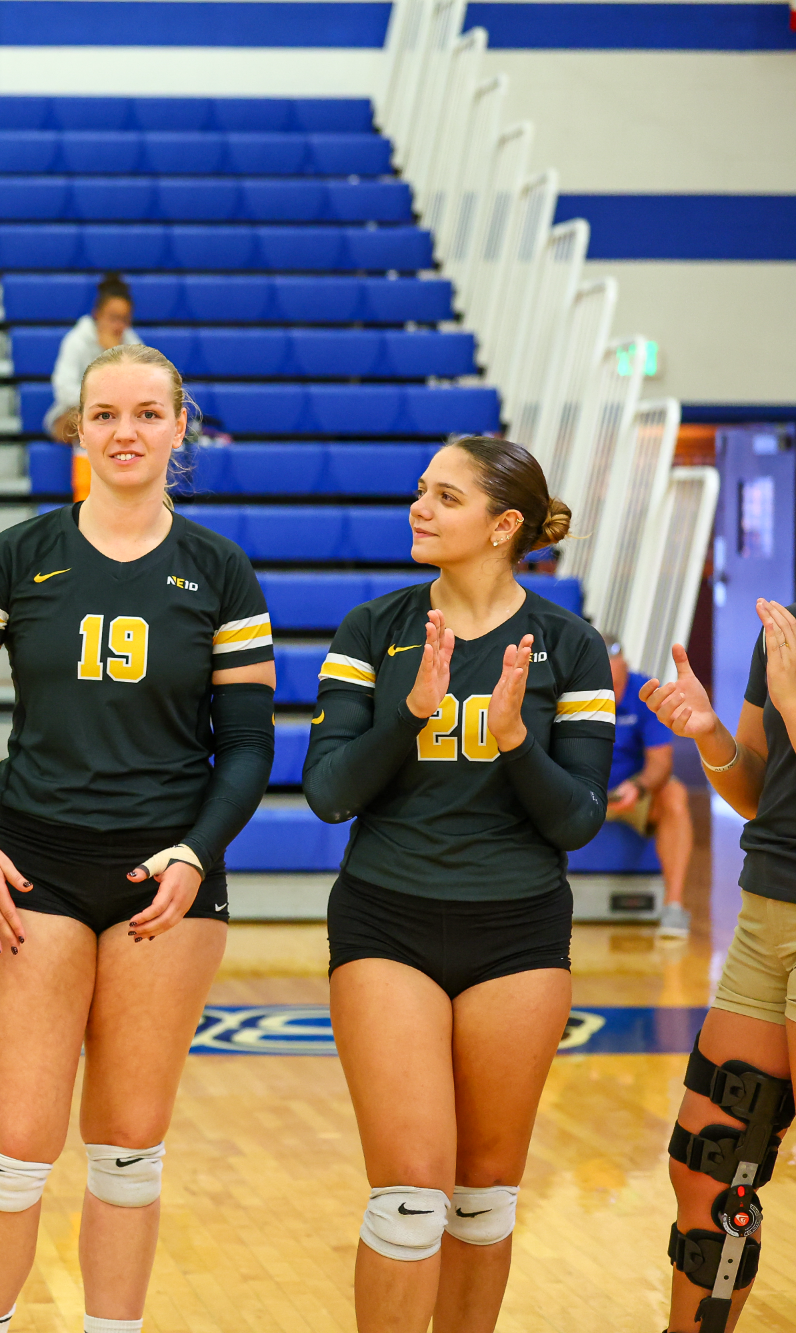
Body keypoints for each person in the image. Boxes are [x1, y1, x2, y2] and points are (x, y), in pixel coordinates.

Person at [0, 342, 277, 1333]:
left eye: (147, 414)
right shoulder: (19, 555)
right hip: (32, 866)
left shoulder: (219, 572)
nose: (124, 432)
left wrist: (195, 851)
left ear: (177, 428)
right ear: (77, 426)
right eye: (104, 414)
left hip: (168, 876)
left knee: (125, 1146)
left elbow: (246, 746)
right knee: (14, 1146)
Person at [302, 436, 613, 1332]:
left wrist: (517, 739)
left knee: (482, 1198)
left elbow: (577, 820)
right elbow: (328, 793)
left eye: (446, 496)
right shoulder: (375, 627)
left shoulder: (569, 644)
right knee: (407, 1198)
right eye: (420, 492)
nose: (420, 508)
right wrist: (411, 712)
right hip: (386, 920)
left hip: (517, 934)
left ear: (503, 525)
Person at [639, 603, 796, 1333]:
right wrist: (711, 736)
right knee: (712, 1165)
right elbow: (761, 791)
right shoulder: (786, 631)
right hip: (768, 907)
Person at [600, 633, 693, 937]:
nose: (611, 696)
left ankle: (674, 907)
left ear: (625, 668)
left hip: (631, 794)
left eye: (615, 686)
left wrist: (638, 787)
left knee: (674, 793)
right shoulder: (569, 691)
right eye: (604, 686)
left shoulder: (645, 693)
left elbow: (661, 762)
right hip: (580, 794)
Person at [47, 273, 141, 443]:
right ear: (97, 314)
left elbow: (143, 385)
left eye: (124, 319)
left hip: (120, 414)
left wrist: (115, 353)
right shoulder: (76, 340)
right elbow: (64, 390)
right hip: (75, 413)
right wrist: (101, 403)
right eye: (113, 318)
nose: (119, 326)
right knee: (90, 422)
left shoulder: (130, 341)